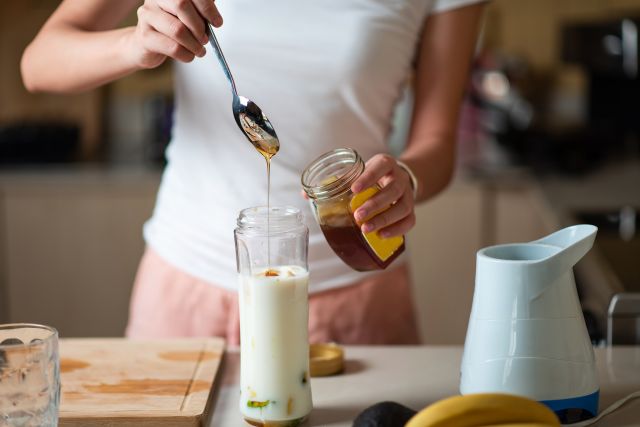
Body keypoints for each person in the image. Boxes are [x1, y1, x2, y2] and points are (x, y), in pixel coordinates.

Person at [22, 0, 486, 345]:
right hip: (188, 289)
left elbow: (438, 142)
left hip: (351, 294)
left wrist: (406, 176)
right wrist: (136, 43)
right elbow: (38, 64)